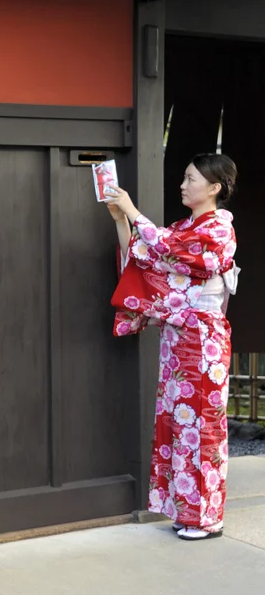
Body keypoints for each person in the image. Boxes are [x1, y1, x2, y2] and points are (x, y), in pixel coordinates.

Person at [107, 153, 239, 540]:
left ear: (213, 188)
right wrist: (121, 220)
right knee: (177, 423)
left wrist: (133, 211)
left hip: (204, 339)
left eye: (191, 179)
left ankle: (207, 518)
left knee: (203, 425)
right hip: (179, 337)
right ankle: (185, 511)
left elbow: (165, 247)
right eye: (184, 177)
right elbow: (143, 259)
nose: (183, 185)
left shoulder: (218, 230)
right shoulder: (185, 227)